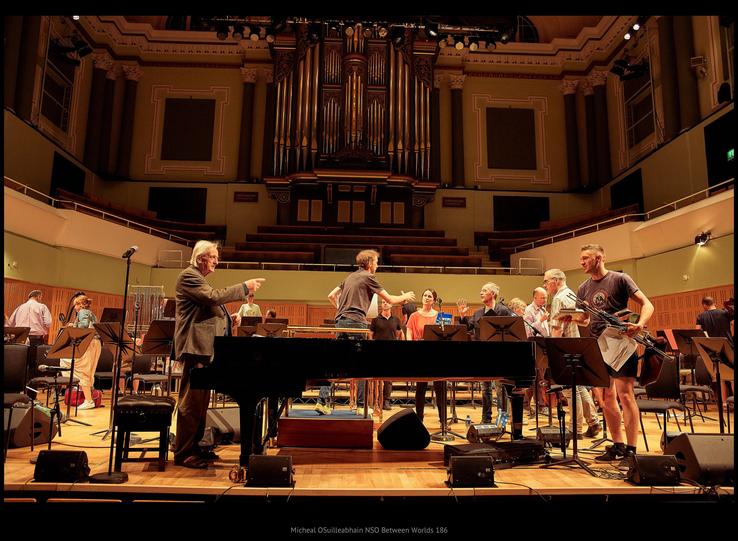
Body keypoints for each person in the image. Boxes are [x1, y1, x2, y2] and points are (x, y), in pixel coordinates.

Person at [173, 240, 265, 469]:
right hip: (195, 348)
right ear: (201, 257)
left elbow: (207, 306)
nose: (216, 261)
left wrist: (228, 319)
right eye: (213, 257)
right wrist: (244, 287)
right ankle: (184, 453)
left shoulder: (199, 279)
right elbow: (213, 297)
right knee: (191, 403)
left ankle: (196, 448)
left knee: (201, 403)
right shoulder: (189, 276)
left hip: (204, 350)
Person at [576, 244, 653, 464]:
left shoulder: (620, 279)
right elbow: (584, 318)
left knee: (625, 394)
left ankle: (631, 449)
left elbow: (648, 304)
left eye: (585, 258)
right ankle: (618, 444)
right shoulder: (583, 288)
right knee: (606, 397)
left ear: (598, 258)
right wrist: (570, 318)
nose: (581, 262)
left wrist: (640, 324)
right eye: (581, 259)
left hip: (621, 343)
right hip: (598, 346)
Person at [317, 250, 414, 416]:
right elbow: (390, 300)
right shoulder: (369, 277)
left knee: (335, 363)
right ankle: (361, 406)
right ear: (369, 263)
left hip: (341, 322)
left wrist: (342, 311)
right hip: (356, 323)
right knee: (361, 364)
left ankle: (322, 402)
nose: (377, 265)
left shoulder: (350, 277)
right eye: (376, 262)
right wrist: (404, 295)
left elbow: (331, 296)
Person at [543, 268, 602, 439]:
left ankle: (574, 430)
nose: (545, 285)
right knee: (579, 387)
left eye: (546, 281)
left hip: (564, 349)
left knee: (570, 390)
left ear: (556, 280)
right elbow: (585, 321)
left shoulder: (558, 298)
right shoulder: (570, 294)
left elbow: (556, 328)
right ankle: (594, 422)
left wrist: (552, 352)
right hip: (576, 346)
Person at [457, 282, 515, 425]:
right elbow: (465, 328)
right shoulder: (477, 313)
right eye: (481, 290)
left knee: (501, 388)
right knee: (485, 389)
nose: (481, 293)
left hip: (499, 356)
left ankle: (502, 419)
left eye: (484, 290)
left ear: (493, 294)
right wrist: (462, 316)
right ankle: (486, 418)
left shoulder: (504, 311)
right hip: (482, 355)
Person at [408, 289, 447, 423]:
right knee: (420, 388)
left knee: (440, 388)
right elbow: (409, 334)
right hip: (420, 355)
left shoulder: (440, 316)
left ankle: (443, 420)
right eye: (424, 295)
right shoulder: (414, 316)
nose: (426, 297)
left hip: (437, 356)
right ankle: (419, 419)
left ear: (434, 300)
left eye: (429, 296)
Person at [61, 295, 102, 410]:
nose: (74, 307)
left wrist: (72, 325)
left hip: (88, 344)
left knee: (72, 364)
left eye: (75, 305)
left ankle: (88, 400)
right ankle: (87, 396)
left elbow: (83, 327)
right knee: (88, 371)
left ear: (80, 305)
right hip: (95, 343)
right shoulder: (91, 313)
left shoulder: (83, 312)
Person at [369, 299, 404, 410]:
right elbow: (370, 335)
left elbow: (399, 333)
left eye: (387, 302)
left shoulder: (396, 320)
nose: (385, 303)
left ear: (391, 304)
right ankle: (375, 400)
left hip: (391, 353)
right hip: (377, 353)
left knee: (388, 379)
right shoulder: (375, 320)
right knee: (376, 378)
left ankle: (386, 401)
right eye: (383, 302)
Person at [7, 290, 52, 356]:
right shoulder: (42, 307)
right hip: (36, 339)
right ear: (38, 297)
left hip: (21, 339)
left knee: (20, 361)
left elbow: (10, 323)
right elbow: (48, 323)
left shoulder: (19, 307)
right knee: (33, 362)